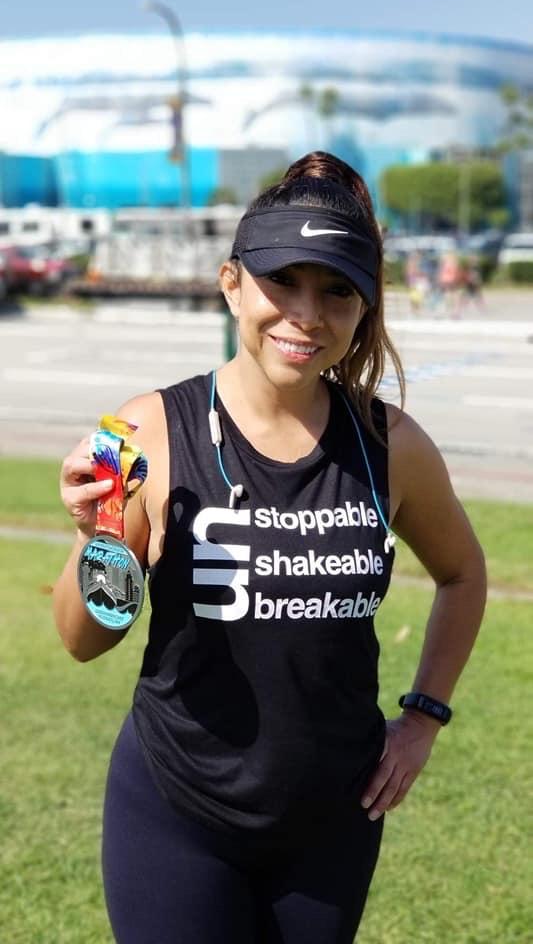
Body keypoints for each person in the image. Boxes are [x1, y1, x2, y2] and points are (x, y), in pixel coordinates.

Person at [54, 151, 487, 944]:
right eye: (280, 280)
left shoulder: (391, 445)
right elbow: (86, 640)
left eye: (335, 291)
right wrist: (96, 539)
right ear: (230, 283)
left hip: (332, 821)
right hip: (175, 810)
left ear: (365, 309)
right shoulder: (137, 429)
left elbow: (461, 573)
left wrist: (422, 718)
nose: (305, 314)